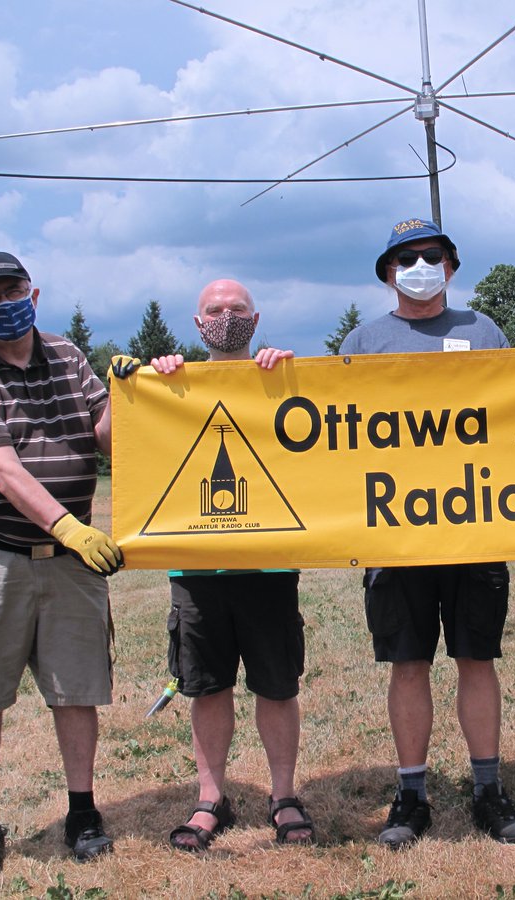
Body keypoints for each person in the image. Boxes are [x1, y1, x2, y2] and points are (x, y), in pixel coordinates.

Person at [339, 217, 515, 848]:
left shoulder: (485, 332)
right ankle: (412, 793)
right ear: (387, 272)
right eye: (405, 258)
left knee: (477, 657)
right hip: (394, 531)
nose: (419, 266)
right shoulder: (362, 342)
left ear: (451, 266)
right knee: (409, 661)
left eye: (431, 255)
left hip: (476, 524)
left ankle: (487, 789)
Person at [0, 251, 123, 880]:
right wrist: (69, 526)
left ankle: (82, 811)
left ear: (33, 294)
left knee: (76, 689)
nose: (3, 303)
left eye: (11, 290)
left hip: (67, 564)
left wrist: (128, 396)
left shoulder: (69, 357)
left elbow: (108, 439)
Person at [114, 279, 313, 851]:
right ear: (198, 324)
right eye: (214, 310)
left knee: (277, 686)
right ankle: (210, 799)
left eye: (237, 309)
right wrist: (142, 384)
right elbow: (121, 440)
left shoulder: (279, 378)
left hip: (269, 566)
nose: (227, 317)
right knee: (208, 686)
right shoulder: (171, 384)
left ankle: (283, 796)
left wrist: (293, 378)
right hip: (195, 570)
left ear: (256, 319)